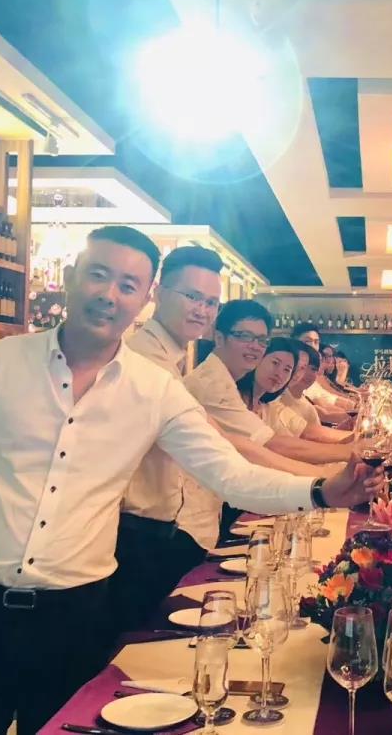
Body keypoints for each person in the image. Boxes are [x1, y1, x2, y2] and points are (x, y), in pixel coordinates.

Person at [0, 226, 380, 735]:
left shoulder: (155, 389)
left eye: (128, 285)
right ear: (71, 277)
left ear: (144, 297)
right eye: (98, 275)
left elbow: (229, 473)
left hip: (75, 613)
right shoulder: (0, 362)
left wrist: (320, 492)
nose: (109, 295)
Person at [111, 245, 224, 635]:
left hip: (155, 531)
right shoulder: (145, 360)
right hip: (133, 535)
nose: (202, 310)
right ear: (157, 293)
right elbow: (216, 444)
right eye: (192, 296)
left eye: (211, 302)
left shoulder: (168, 358)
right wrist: (317, 488)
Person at [188, 302, 355, 465]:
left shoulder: (260, 398)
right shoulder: (212, 385)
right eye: (245, 336)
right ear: (219, 338)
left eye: (261, 340)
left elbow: (300, 432)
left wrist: (353, 442)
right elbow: (271, 445)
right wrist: (350, 452)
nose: (255, 346)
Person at [279, 343, 354, 442]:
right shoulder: (277, 400)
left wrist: (342, 429)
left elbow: (313, 437)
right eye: (302, 367)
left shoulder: (306, 404)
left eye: (314, 369)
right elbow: (304, 438)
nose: (308, 374)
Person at [292, 323, 356, 411]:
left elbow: (323, 401)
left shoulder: (314, 374)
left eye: (316, 342)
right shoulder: (292, 370)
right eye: (307, 341)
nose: (313, 346)